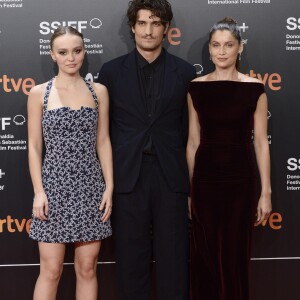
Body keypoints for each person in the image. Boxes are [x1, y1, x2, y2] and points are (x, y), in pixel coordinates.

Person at [97, 0, 196, 299]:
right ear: (132, 27)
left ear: (166, 28)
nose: (148, 30)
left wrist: (191, 184)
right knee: (130, 262)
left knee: (175, 261)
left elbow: (190, 131)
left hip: (171, 177)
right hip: (128, 177)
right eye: (142, 23)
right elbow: (104, 131)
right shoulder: (111, 72)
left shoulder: (185, 72)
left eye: (155, 23)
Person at [187, 17, 272, 300]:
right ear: (210, 49)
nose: (221, 51)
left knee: (234, 258)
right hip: (205, 183)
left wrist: (266, 192)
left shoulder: (255, 88)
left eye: (228, 45)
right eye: (216, 45)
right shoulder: (195, 88)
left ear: (240, 48)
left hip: (240, 183)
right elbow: (193, 141)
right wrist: (190, 190)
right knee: (206, 258)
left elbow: (261, 143)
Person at [28, 26, 113, 300]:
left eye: (76, 51)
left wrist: (109, 187)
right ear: (53, 54)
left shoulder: (99, 91)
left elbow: (103, 141)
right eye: (63, 52)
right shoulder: (39, 93)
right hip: (53, 189)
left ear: (84, 52)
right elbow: (34, 146)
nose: (71, 58)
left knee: (87, 268)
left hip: (90, 188)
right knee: (51, 269)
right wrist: (39, 192)